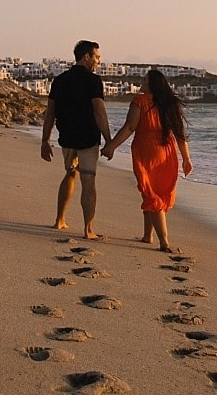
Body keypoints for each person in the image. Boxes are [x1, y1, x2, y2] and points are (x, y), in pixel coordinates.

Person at [102, 68, 194, 253]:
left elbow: (129, 127)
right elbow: (180, 134)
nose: (142, 82)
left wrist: (112, 146)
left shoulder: (139, 101)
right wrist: (186, 158)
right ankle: (147, 236)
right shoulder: (169, 104)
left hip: (147, 151)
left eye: (145, 79)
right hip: (167, 153)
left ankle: (164, 242)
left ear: (152, 84)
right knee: (154, 192)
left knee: (150, 193)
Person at [41, 40, 112, 239]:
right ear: (86, 56)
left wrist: (45, 141)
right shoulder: (93, 81)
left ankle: (59, 220)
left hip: (67, 138)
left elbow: (50, 113)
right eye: (96, 57)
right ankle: (88, 230)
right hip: (88, 138)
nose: (99, 61)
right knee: (88, 181)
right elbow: (99, 111)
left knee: (71, 174)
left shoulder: (60, 80)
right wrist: (108, 140)